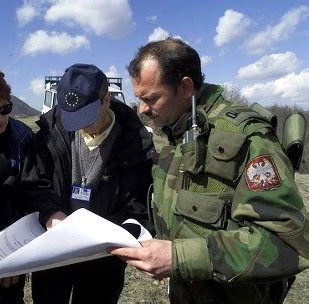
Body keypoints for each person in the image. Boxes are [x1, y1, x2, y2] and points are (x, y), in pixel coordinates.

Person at [109, 38, 309, 303]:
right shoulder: (178, 131)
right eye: (139, 99)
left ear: (185, 87)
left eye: (151, 98)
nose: (143, 109)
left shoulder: (247, 138)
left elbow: (288, 241)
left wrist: (179, 257)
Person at [31, 63, 156, 304]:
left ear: (106, 99)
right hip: (55, 252)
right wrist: (50, 212)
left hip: (103, 260)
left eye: (86, 117)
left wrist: (114, 233)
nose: (80, 125)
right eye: (73, 117)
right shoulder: (50, 132)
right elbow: (36, 182)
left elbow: (138, 203)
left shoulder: (136, 144)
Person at [0, 63, 60, 304]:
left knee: (12, 296)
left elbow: (34, 185)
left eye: (5, 108)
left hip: (14, 234)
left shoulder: (23, 136)